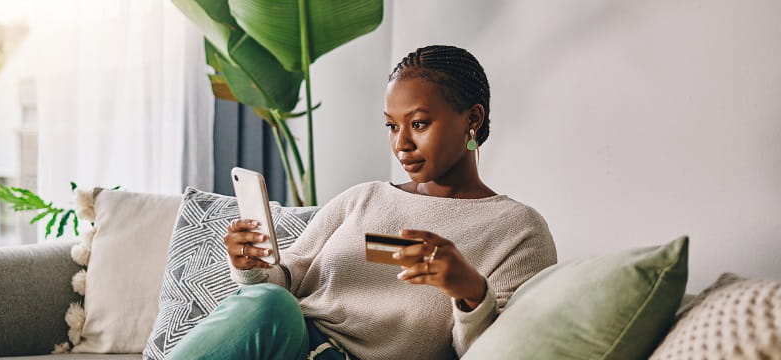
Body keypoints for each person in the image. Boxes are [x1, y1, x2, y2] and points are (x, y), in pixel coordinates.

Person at [166, 45, 558, 360]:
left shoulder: (518, 230)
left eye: (419, 124)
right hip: (287, 341)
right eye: (392, 125)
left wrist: (470, 291)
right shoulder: (364, 197)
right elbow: (287, 279)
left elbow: (498, 350)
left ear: (472, 119)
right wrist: (252, 266)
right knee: (268, 301)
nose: (401, 144)